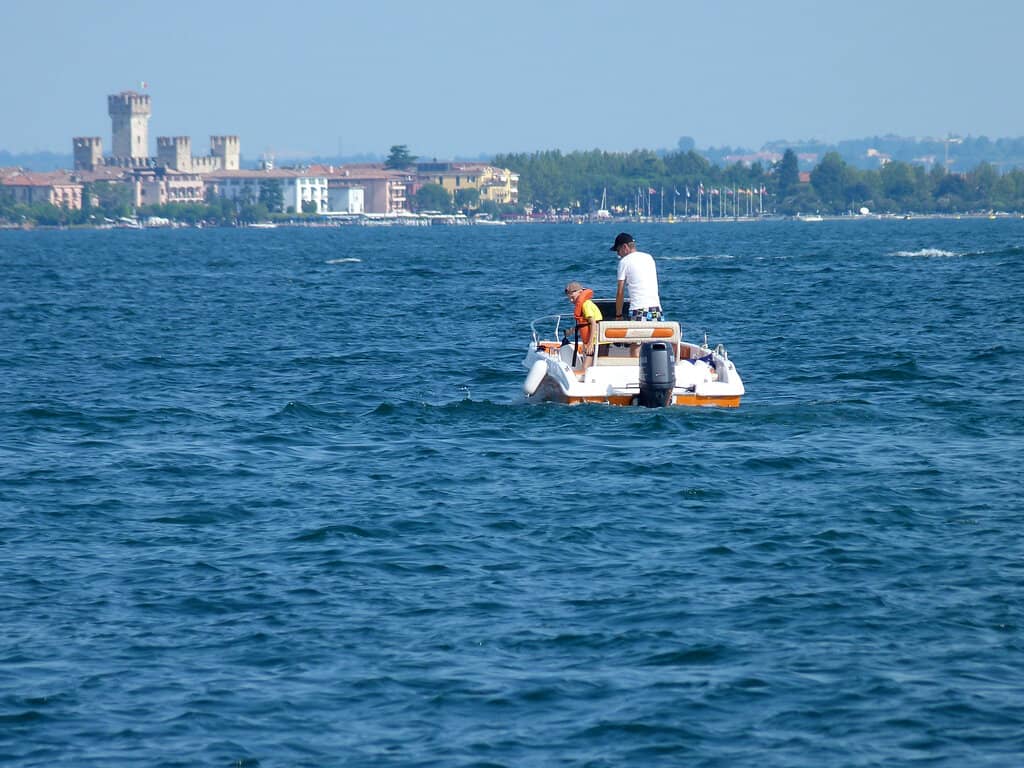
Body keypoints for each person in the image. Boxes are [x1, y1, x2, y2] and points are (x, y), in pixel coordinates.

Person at [610, 232, 662, 321]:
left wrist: (618, 315)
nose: (618, 255)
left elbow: (620, 292)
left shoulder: (624, 262)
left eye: (618, 251)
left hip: (638, 310)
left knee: (638, 335)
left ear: (625, 247)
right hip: (656, 310)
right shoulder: (648, 258)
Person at [565, 281, 602, 368]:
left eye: (572, 298)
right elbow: (583, 323)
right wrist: (571, 331)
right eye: (569, 298)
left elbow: (593, 324)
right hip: (595, 340)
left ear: (580, 292)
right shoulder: (584, 304)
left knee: (586, 366)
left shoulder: (586, 305)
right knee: (591, 363)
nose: (571, 301)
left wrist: (590, 343)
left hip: (596, 340)